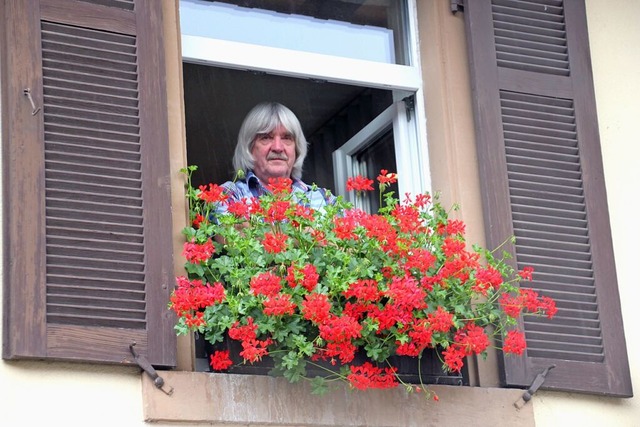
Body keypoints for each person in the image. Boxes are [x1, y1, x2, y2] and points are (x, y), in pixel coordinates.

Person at [219, 102, 336, 209]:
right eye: (266, 137)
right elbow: (232, 231)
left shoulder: (324, 199)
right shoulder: (229, 194)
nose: (278, 147)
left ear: (297, 148)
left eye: (287, 138)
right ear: (249, 148)